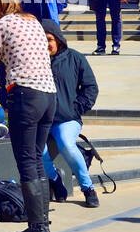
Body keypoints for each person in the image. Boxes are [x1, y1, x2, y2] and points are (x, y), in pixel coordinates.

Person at [0, 0, 56, 232]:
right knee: (36, 160)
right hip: (49, 95)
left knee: (26, 163)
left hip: (25, 96)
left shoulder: (1, 25)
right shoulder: (33, 21)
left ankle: (36, 230)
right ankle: (43, 226)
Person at [41, 21, 100, 207]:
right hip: (41, 119)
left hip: (67, 119)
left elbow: (91, 87)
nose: (46, 44)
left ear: (58, 39)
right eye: (41, 40)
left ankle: (88, 188)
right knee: (37, 151)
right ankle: (55, 181)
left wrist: (75, 109)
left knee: (66, 143)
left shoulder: (75, 58)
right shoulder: (34, 60)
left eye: (49, 39)